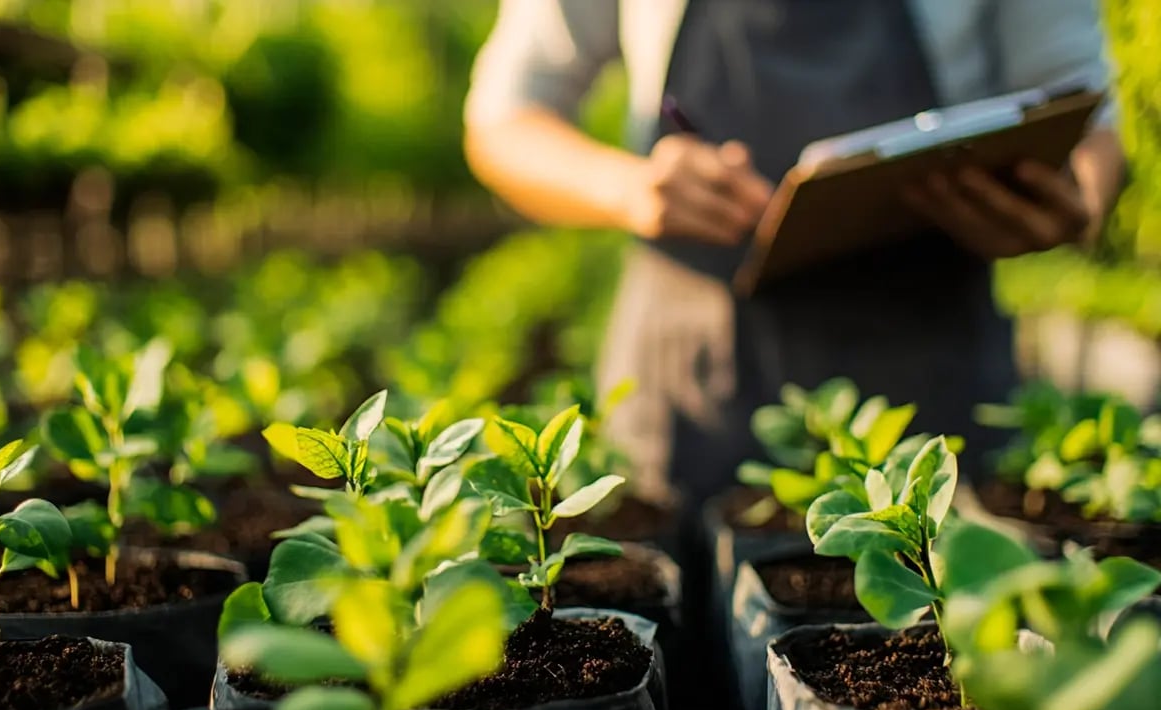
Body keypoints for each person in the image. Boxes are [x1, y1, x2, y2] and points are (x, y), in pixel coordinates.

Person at [462, 0, 1126, 510]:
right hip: (693, 361)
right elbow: (505, 117)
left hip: (929, 358)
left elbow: (1087, 116)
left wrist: (1075, 207)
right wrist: (628, 188)